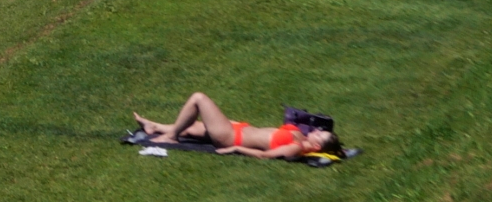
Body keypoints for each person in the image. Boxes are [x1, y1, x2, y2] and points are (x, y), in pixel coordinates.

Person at [131, 93, 341, 160]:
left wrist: (236, 149)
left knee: (199, 99)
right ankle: (154, 127)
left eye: (319, 136)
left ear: (315, 148)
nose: (316, 131)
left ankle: (170, 137)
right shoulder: (301, 136)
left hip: (231, 137)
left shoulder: (296, 148)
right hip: (238, 128)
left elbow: (264, 156)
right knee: (190, 126)